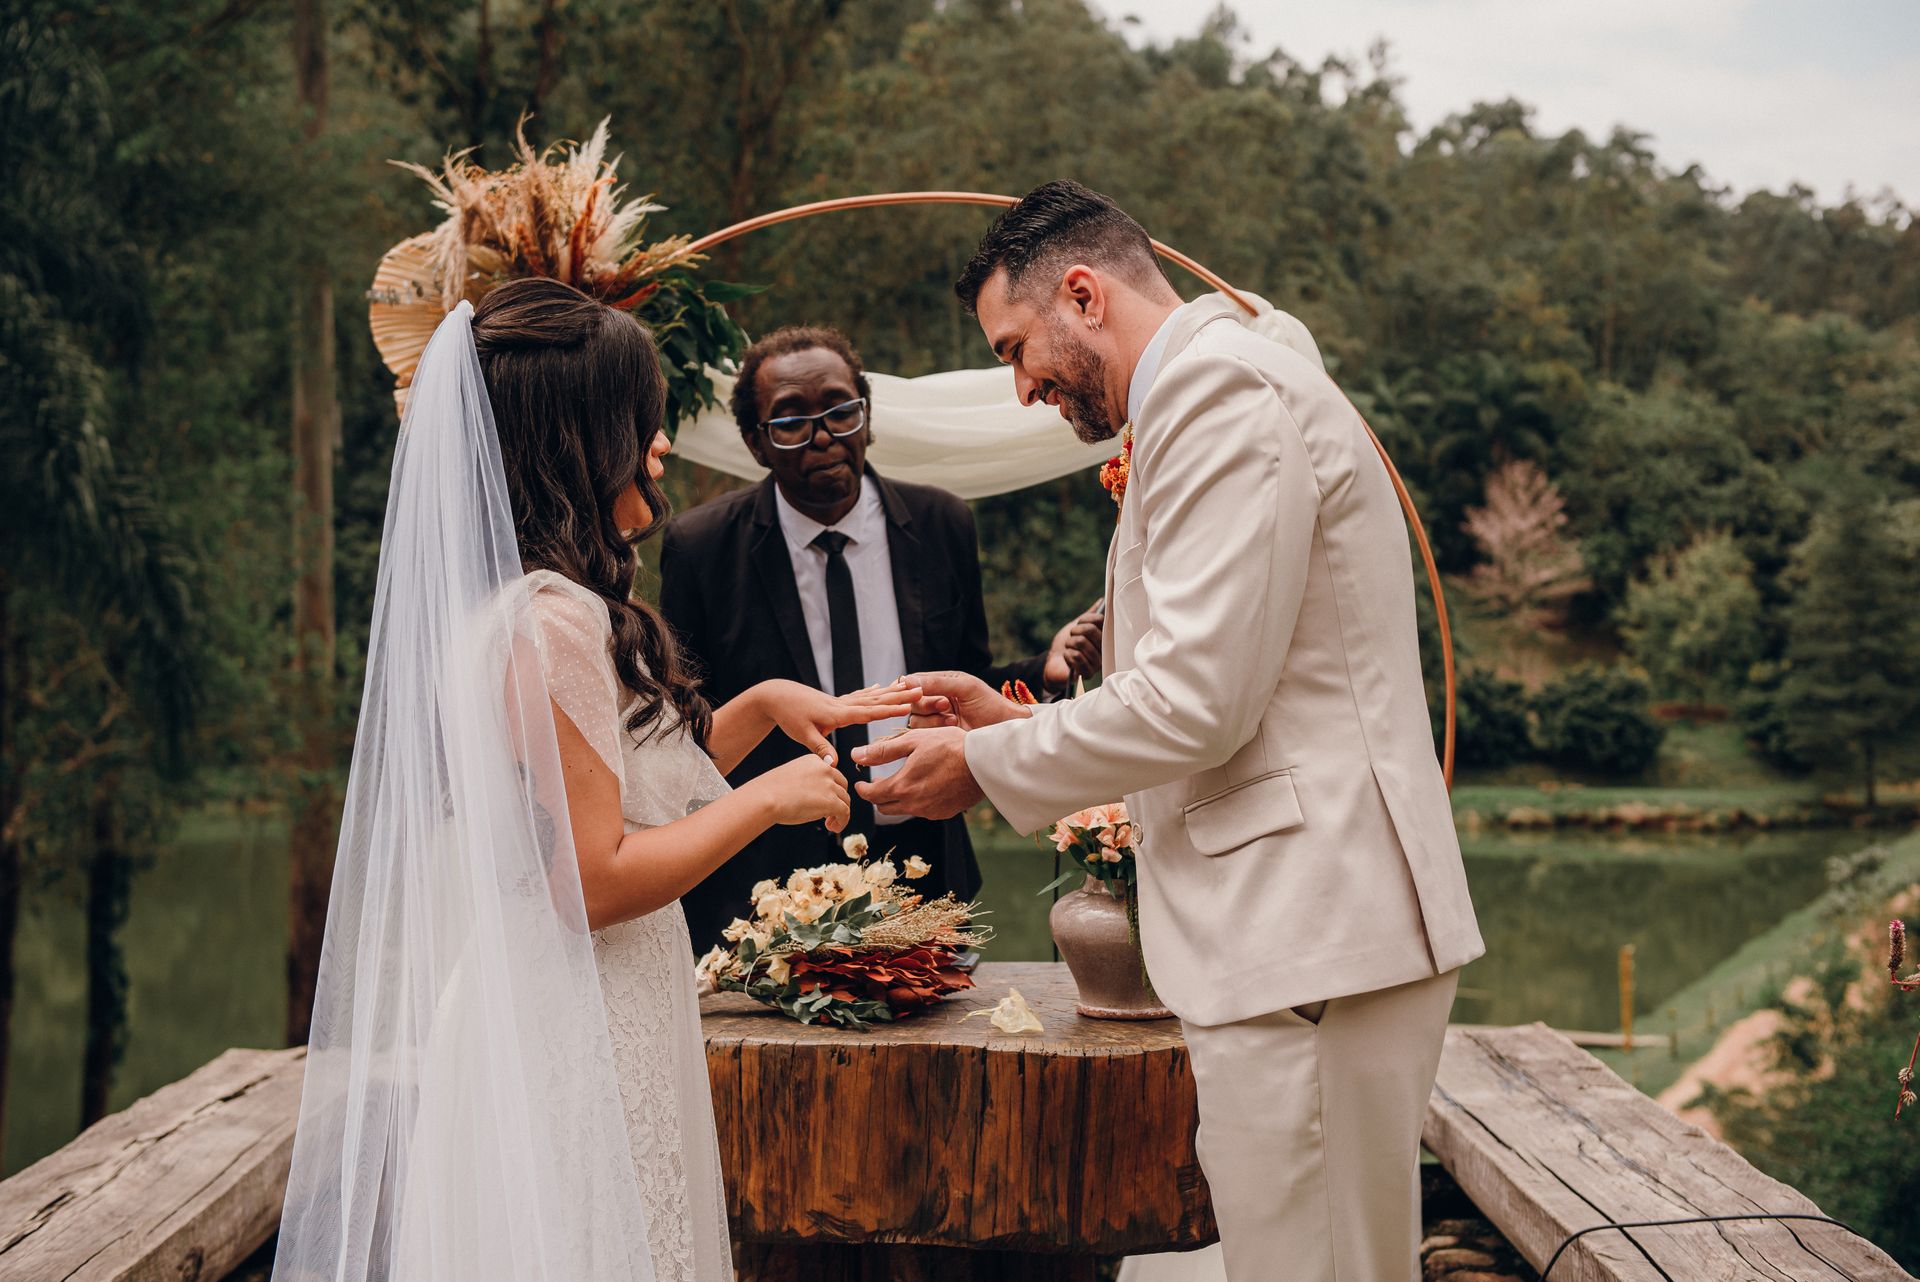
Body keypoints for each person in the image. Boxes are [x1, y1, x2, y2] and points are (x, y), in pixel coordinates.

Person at [854, 181, 1484, 1282]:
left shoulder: (1219, 393)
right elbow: (1237, 677)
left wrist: (984, 763)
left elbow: (1197, 701)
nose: (1019, 387)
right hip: (1300, 934)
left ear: (1084, 293)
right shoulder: (1228, 377)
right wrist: (1009, 716)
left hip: (1309, 928)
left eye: (1016, 348)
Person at [272, 279, 916, 1282]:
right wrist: (767, 801)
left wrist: (762, 709)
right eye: (644, 426)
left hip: (592, 1001)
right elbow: (592, 878)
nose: (661, 448)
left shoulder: (531, 606)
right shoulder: (552, 624)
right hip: (573, 1024)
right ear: (578, 441)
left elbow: (626, 788)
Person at [659, 325, 1101, 950]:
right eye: (791, 422)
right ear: (756, 443)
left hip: (923, 866)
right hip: (762, 886)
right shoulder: (701, 548)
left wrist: (1047, 670)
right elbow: (690, 726)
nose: (823, 438)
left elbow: (964, 681)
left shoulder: (942, 523)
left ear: (866, 417)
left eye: (841, 411)